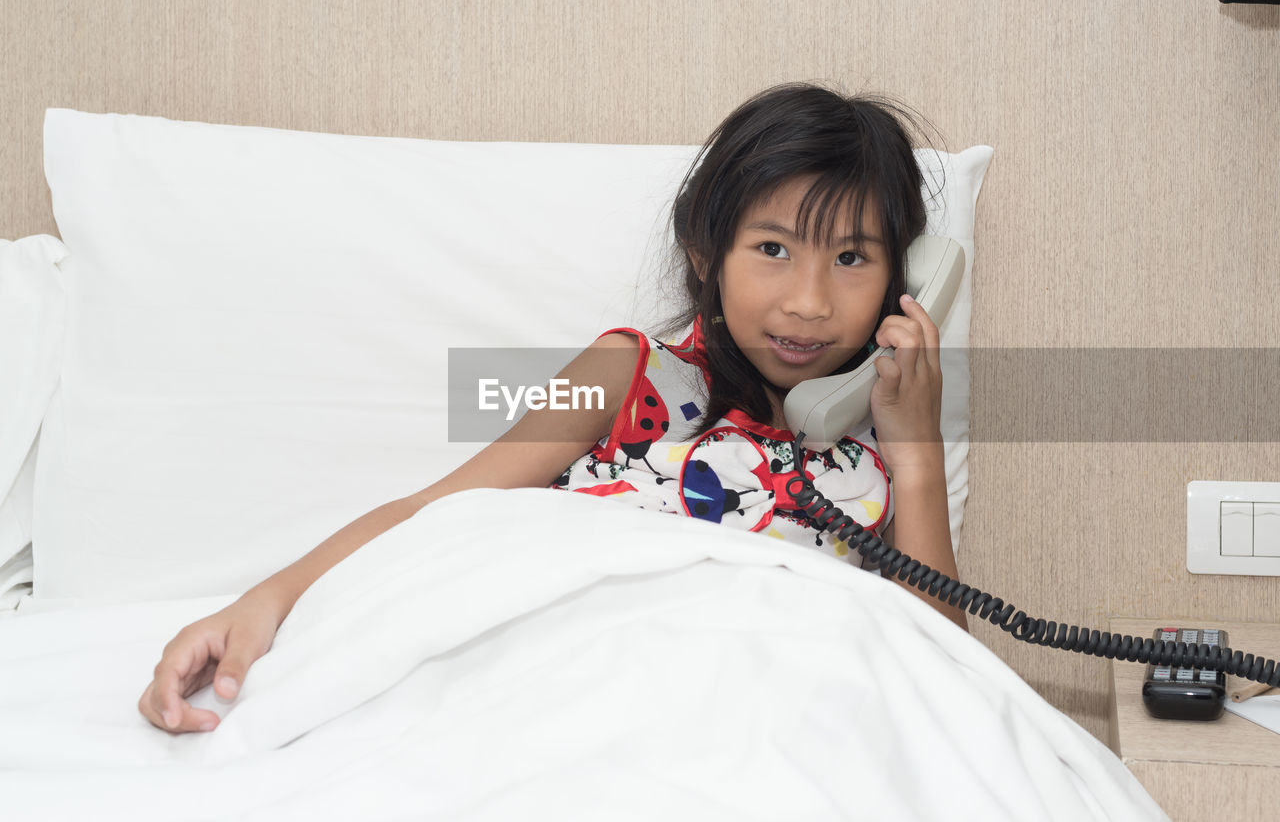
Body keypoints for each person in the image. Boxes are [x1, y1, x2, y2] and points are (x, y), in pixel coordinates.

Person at [138, 82, 967, 736]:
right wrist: (263, 600)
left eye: (851, 257)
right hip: (574, 681)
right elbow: (442, 506)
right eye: (773, 248)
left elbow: (938, 672)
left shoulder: (874, 453)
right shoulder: (623, 372)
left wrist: (919, 454)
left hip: (762, 712)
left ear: (903, 278)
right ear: (706, 251)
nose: (811, 301)